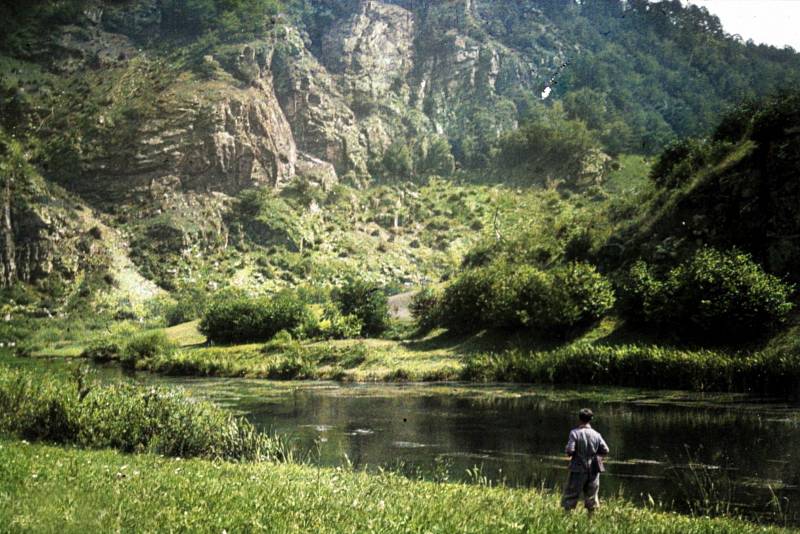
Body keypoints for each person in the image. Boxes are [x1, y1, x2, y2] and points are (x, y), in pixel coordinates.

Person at [561, 408, 609, 513]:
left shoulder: (574, 433)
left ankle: (566, 518)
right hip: (593, 470)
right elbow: (606, 450)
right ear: (591, 419)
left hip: (577, 469)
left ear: (579, 418)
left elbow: (570, 450)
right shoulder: (597, 434)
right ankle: (591, 521)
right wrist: (596, 457)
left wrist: (570, 453)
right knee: (592, 497)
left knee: (571, 495)